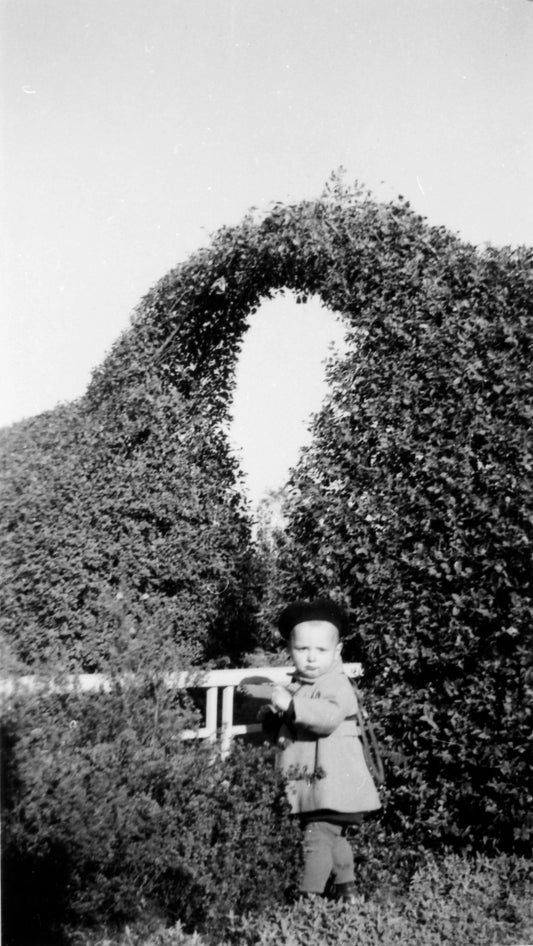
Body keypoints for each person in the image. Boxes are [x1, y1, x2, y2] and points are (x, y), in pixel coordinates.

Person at [264, 597, 381, 903]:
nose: (312, 658)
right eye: (303, 650)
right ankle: (348, 891)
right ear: (290, 649)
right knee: (332, 838)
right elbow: (294, 722)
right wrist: (276, 716)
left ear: (337, 651)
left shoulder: (336, 684)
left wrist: (291, 706)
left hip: (334, 785)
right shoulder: (300, 685)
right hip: (320, 787)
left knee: (316, 839)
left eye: (321, 650)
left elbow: (326, 717)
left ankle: (308, 900)